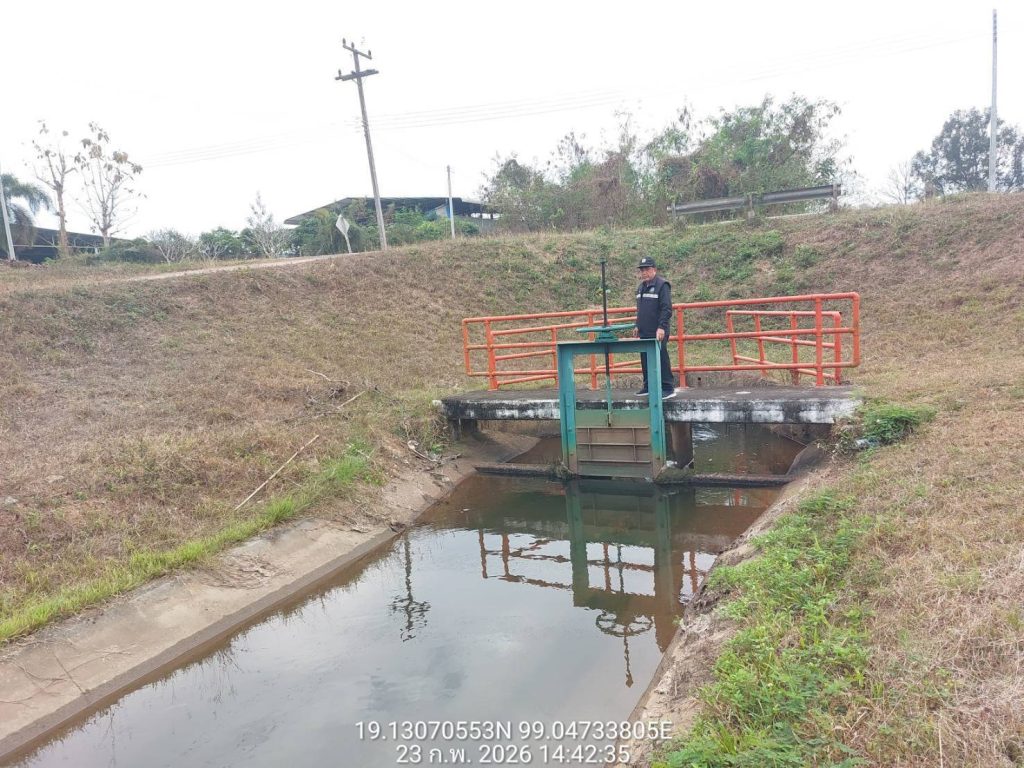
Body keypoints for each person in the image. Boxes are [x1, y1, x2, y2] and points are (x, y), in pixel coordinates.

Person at [633, 256, 676, 399]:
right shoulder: (641, 287)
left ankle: (668, 387)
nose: (644, 272)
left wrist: (662, 327)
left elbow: (666, 308)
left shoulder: (662, 285)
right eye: (642, 270)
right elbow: (640, 309)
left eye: (647, 269)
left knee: (661, 357)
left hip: (658, 330)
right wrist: (637, 325)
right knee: (645, 358)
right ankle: (648, 386)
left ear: (654, 270)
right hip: (644, 330)